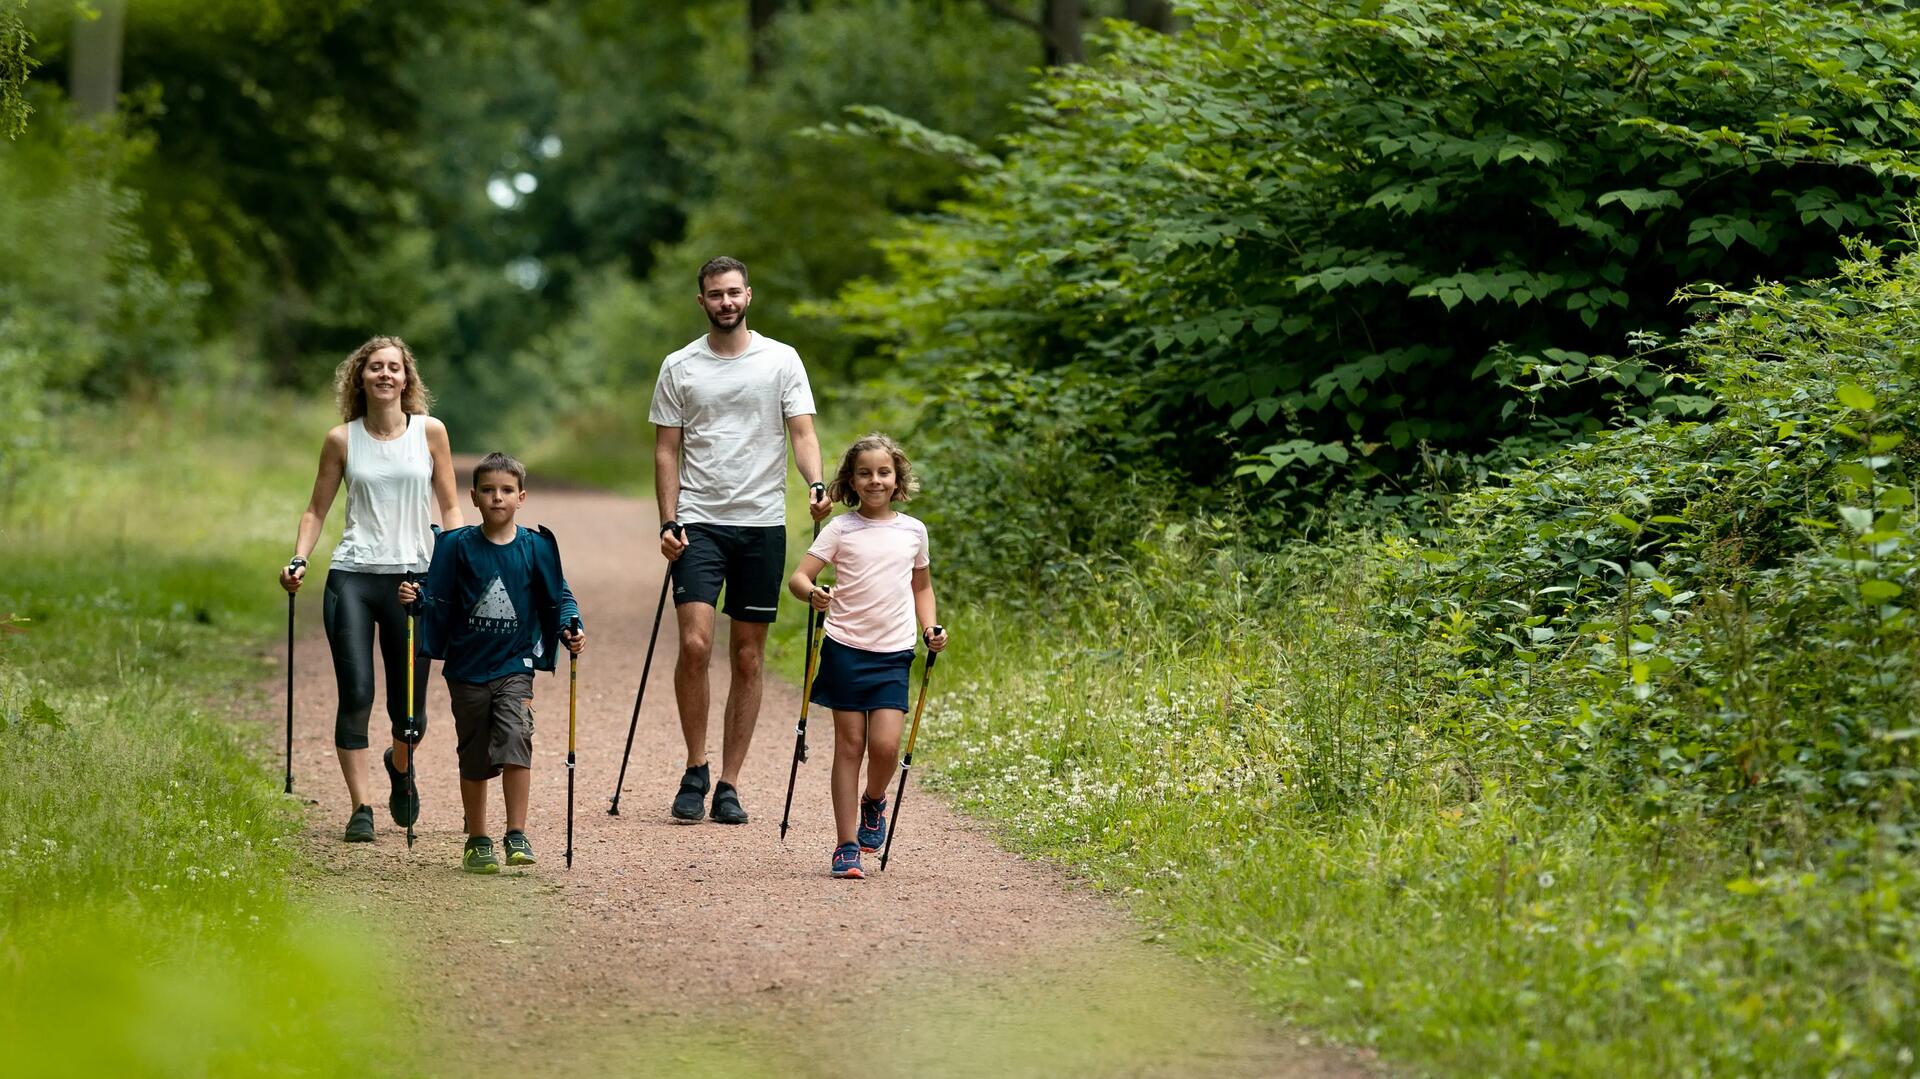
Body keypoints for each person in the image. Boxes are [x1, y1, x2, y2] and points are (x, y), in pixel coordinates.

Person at [651, 255, 831, 825]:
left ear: (748, 296)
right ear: (701, 301)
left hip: (761, 522)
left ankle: (729, 782)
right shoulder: (679, 366)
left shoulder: (781, 360)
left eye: (733, 293)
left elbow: (801, 431)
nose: (725, 302)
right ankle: (695, 766)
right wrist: (667, 520)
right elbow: (665, 449)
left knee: (749, 657)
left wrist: (817, 482)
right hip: (699, 521)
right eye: (714, 294)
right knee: (697, 645)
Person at [281, 336, 463, 843]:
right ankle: (360, 807)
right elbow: (316, 509)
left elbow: (450, 508)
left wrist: (453, 562)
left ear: (407, 380)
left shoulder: (430, 432)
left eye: (395, 368)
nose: (386, 375)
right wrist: (299, 557)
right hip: (353, 577)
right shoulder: (342, 439)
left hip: (414, 579)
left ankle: (400, 767)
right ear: (360, 377)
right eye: (376, 368)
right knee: (356, 692)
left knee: (410, 712)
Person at [400, 453, 584, 873]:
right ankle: (477, 838)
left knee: (517, 738)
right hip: (466, 669)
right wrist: (415, 599)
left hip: (514, 666)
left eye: (505, 490)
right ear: (474, 497)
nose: (496, 497)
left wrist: (570, 626)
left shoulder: (535, 548)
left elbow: (560, 596)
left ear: (521, 497)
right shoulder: (458, 546)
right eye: (487, 490)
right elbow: (435, 593)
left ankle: (516, 833)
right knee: (475, 754)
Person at [786, 433, 948, 879]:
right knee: (850, 745)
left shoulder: (913, 531)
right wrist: (814, 595)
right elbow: (799, 578)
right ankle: (846, 845)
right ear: (851, 481)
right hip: (844, 647)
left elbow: (922, 587)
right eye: (865, 473)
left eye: (883, 472)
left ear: (897, 479)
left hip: (894, 651)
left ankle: (873, 799)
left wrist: (929, 627)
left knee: (885, 746)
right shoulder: (841, 528)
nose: (875, 480)